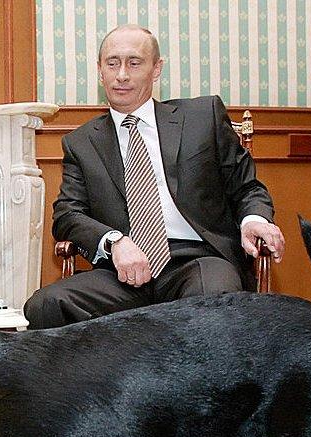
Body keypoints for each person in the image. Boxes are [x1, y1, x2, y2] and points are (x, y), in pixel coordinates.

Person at [24, 24, 285, 330]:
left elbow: (246, 187)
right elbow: (67, 216)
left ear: (156, 69)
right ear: (100, 71)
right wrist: (115, 242)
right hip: (123, 271)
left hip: (198, 260)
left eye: (134, 63)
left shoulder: (202, 118)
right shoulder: (81, 143)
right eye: (112, 63)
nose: (122, 75)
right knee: (45, 305)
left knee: (212, 304)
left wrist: (254, 220)